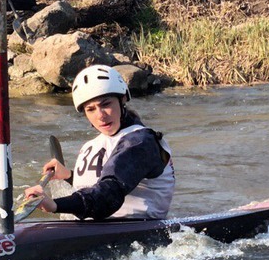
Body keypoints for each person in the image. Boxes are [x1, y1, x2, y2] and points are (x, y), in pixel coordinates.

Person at [24, 65, 174, 220]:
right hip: (99, 230)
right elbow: (101, 181)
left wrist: (56, 205)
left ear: (122, 99)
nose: (100, 115)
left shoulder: (140, 143)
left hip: (138, 234)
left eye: (106, 104)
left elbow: (109, 194)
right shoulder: (94, 144)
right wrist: (69, 176)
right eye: (91, 109)